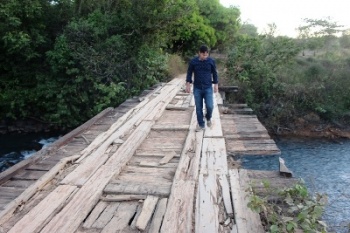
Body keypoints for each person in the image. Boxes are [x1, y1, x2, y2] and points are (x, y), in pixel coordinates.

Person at [185, 45, 218, 131]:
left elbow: (214, 73)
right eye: (203, 55)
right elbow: (189, 73)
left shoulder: (211, 61)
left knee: (210, 106)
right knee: (198, 107)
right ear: (199, 53)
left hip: (208, 87)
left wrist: (216, 84)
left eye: (206, 55)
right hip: (197, 88)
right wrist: (188, 84)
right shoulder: (193, 62)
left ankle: (208, 117)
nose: (205, 56)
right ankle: (201, 124)